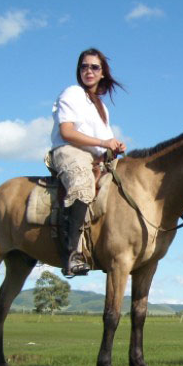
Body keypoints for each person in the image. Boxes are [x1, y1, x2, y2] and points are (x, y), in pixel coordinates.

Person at [50, 48, 126, 276]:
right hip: (69, 151)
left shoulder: (101, 107)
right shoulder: (72, 93)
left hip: (97, 158)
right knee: (83, 184)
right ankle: (72, 254)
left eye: (94, 67)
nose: (89, 71)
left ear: (103, 73)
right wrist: (104, 142)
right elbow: (66, 132)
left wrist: (114, 147)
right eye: (84, 66)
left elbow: (104, 142)